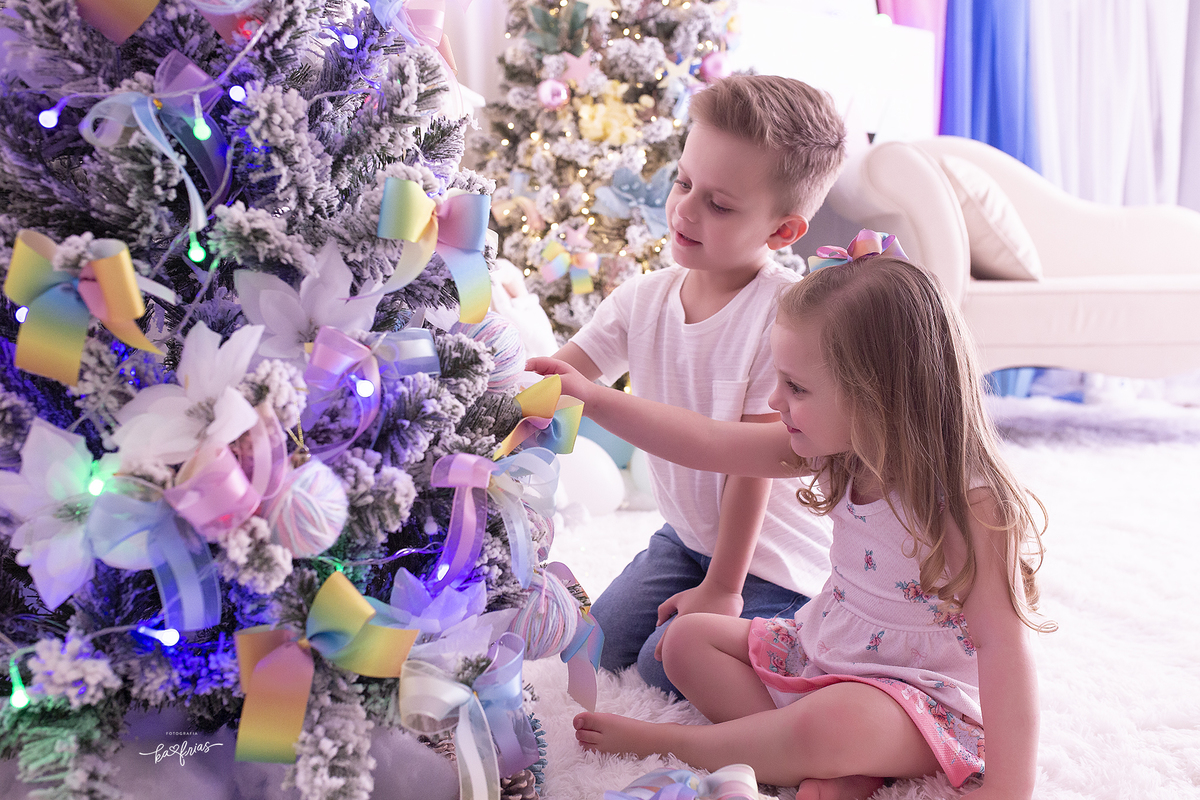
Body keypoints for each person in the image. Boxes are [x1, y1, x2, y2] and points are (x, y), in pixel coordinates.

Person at [528, 234, 1052, 800]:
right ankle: (828, 766)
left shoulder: (969, 503)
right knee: (683, 643)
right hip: (824, 648)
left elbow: (1005, 649)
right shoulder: (837, 450)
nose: (775, 401)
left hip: (918, 697)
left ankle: (689, 746)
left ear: (878, 397)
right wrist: (595, 398)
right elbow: (707, 442)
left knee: (836, 722)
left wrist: (1008, 787)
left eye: (796, 387)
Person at [553, 74, 846, 695]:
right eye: (683, 182)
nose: (684, 209)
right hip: (686, 540)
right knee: (593, 644)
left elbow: (753, 467)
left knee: (666, 662)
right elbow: (565, 374)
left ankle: (811, 644)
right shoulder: (642, 299)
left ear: (783, 230)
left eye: (719, 204)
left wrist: (723, 588)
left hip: (770, 563)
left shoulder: (786, 316)